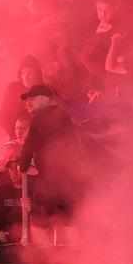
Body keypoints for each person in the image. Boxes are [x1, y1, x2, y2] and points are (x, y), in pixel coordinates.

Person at [18, 83, 82, 222]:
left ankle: (41, 244)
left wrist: (22, 166)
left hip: (49, 181)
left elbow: (28, 148)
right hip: (69, 181)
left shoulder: (39, 119)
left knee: (39, 220)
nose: (28, 103)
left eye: (32, 99)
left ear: (43, 99)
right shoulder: (64, 115)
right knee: (67, 221)